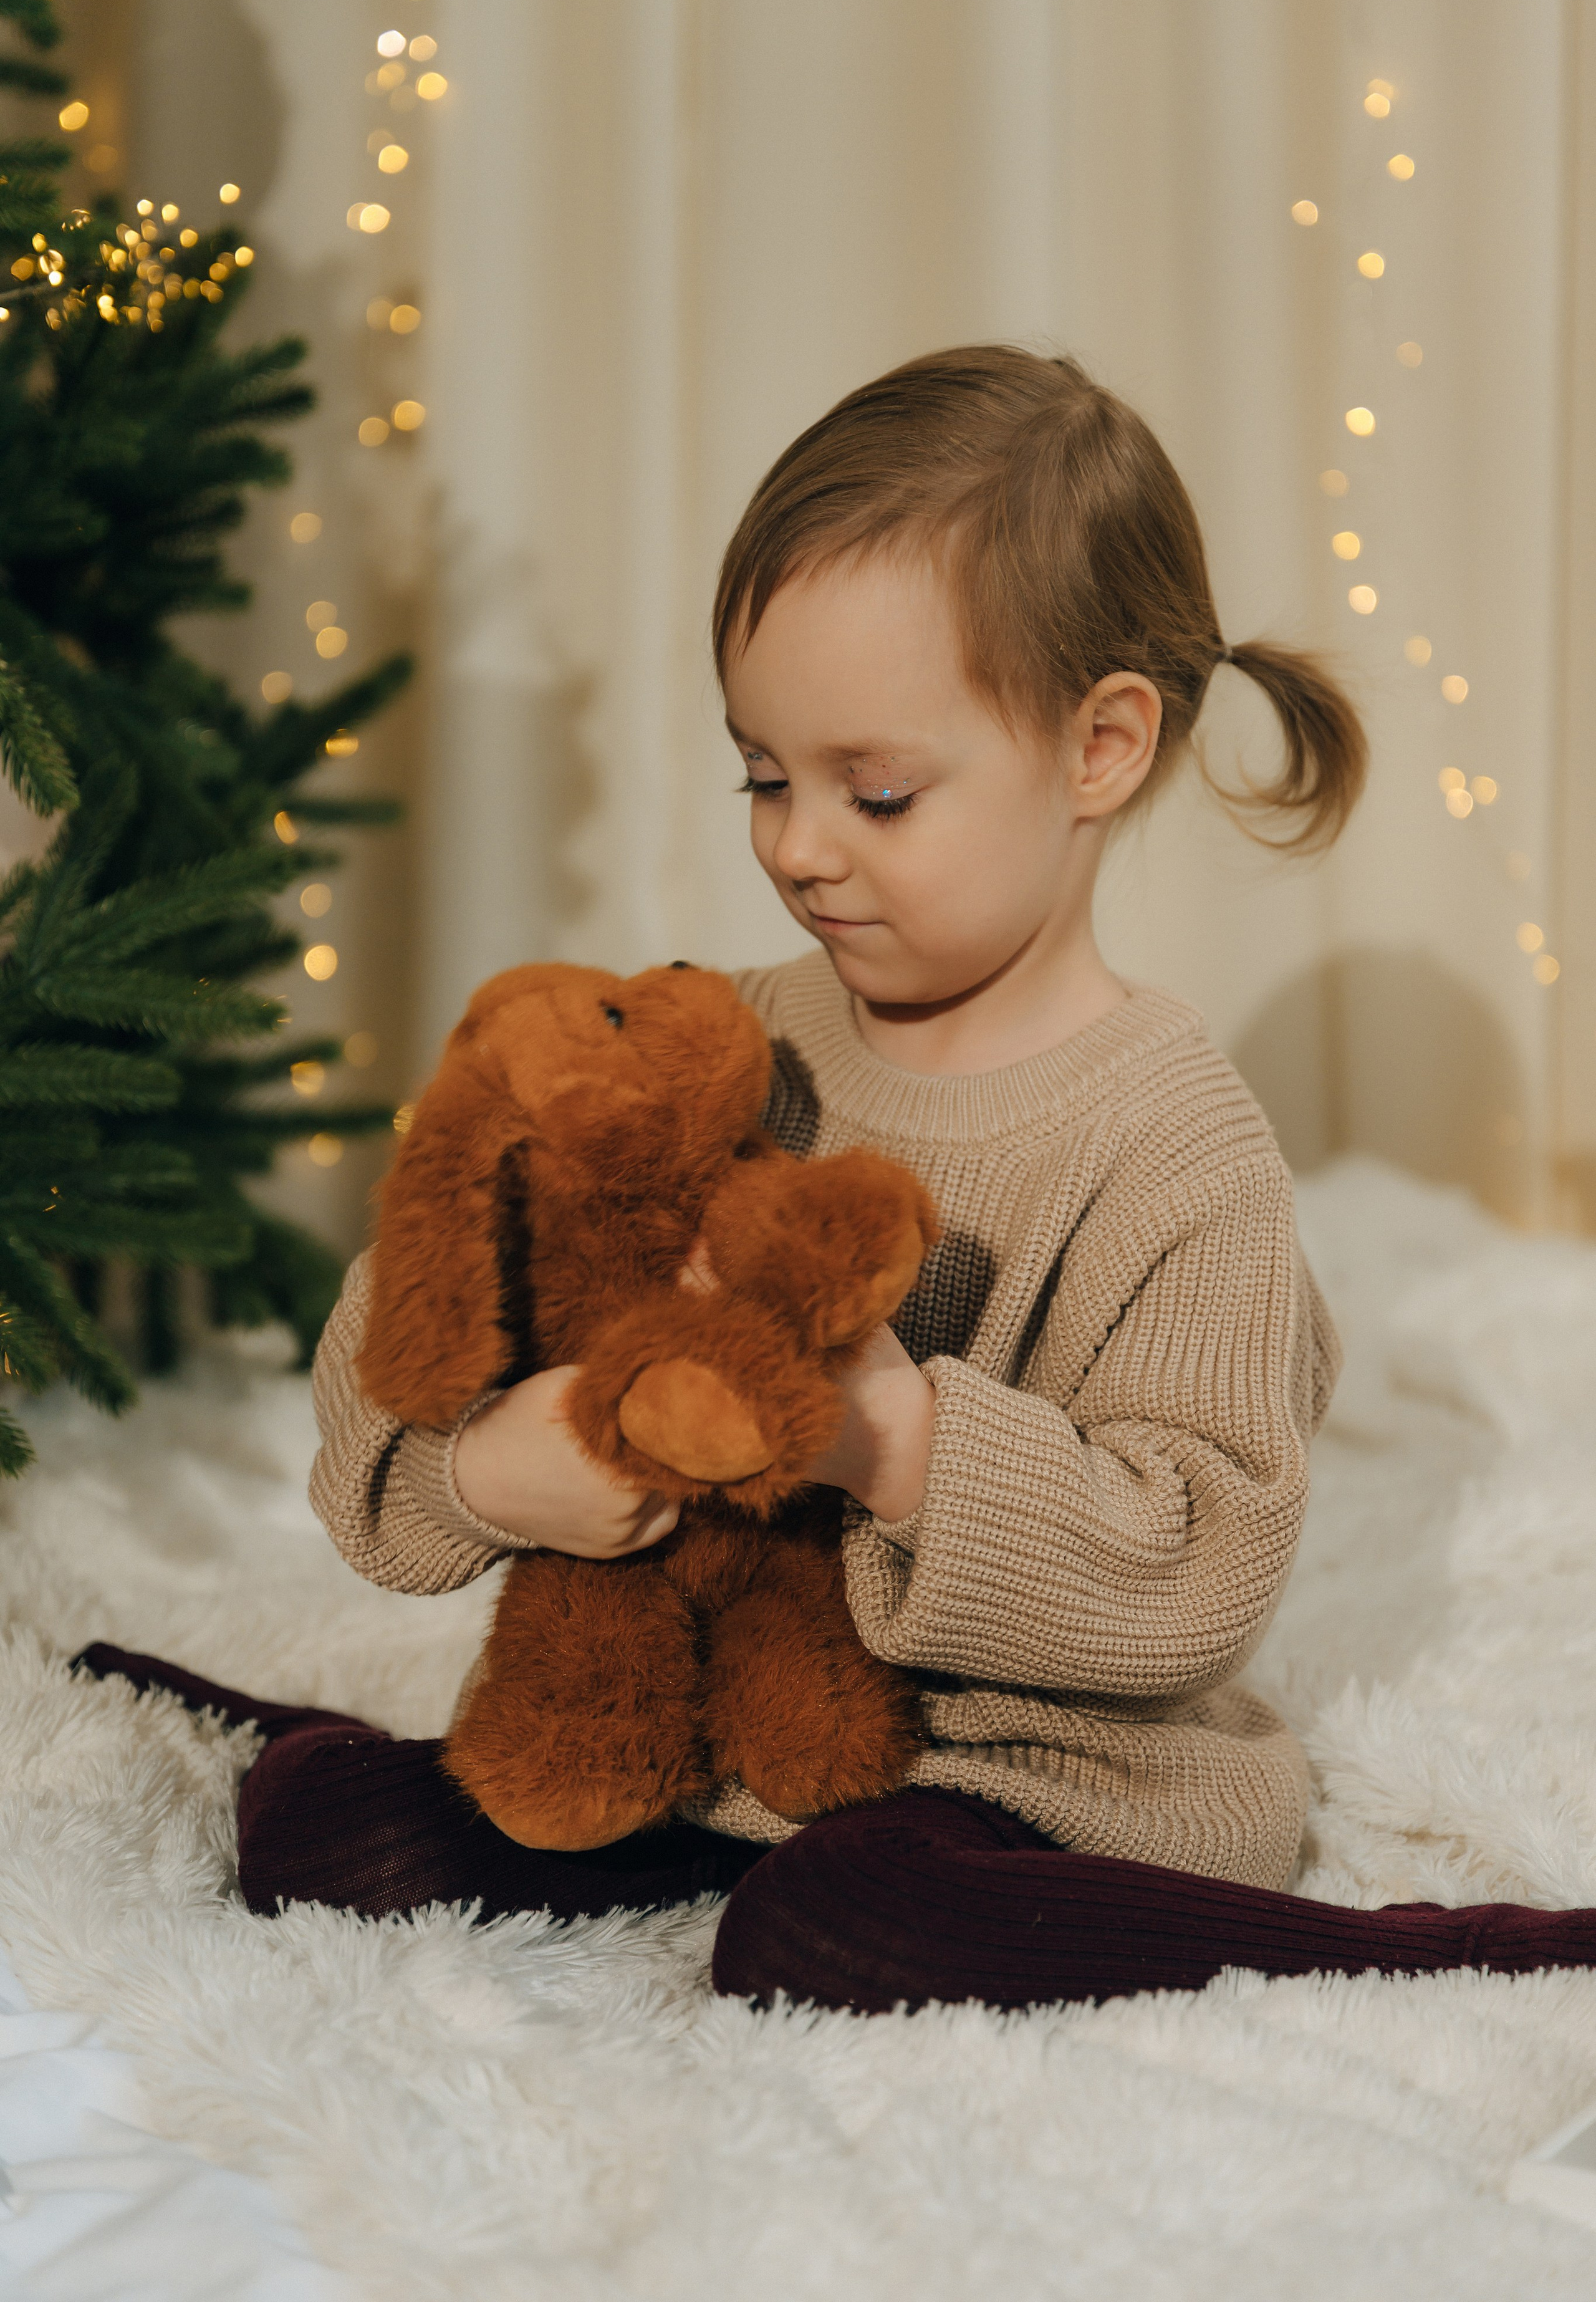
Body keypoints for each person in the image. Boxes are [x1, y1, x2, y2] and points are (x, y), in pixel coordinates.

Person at [79, 347, 1596, 2011]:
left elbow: (1199, 1568)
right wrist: (492, 1477)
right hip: (708, 1731)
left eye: (875, 792)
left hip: (1031, 1778)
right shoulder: (733, 1044)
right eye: (764, 775)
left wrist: (890, 1435)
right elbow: (424, 1324)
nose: (801, 844)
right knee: (322, 1839)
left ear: (1099, 749)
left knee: (839, 1932)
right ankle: (676, 1843)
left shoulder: (1180, 1148)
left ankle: (1395, 1950)